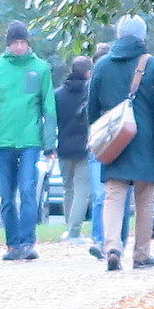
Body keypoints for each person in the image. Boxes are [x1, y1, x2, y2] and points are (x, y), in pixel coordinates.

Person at [89, 15, 154, 269]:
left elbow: (92, 105)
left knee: (113, 194)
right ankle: (141, 254)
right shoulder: (152, 65)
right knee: (145, 199)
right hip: (145, 140)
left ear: (118, 34)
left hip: (113, 138)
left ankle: (112, 246)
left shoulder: (102, 65)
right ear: (142, 36)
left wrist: (95, 135)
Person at [0, 20, 57, 261]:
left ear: (28, 43)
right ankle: (12, 245)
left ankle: (27, 242)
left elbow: (48, 106)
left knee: (28, 189)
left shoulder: (40, 68)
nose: (19, 47)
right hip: (4, 140)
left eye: (23, 42)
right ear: (8, 44)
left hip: (30, 140)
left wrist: (49, 143)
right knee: (6, 194)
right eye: (15, 43)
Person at [56, 55, 95, 245]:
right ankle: (74, 231)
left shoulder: (58, 94)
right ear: (88, 73)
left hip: (63, 147)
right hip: (84, 147)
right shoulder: (90, 94)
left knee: (67, 189)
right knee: (82, 190)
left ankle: (68, 227)